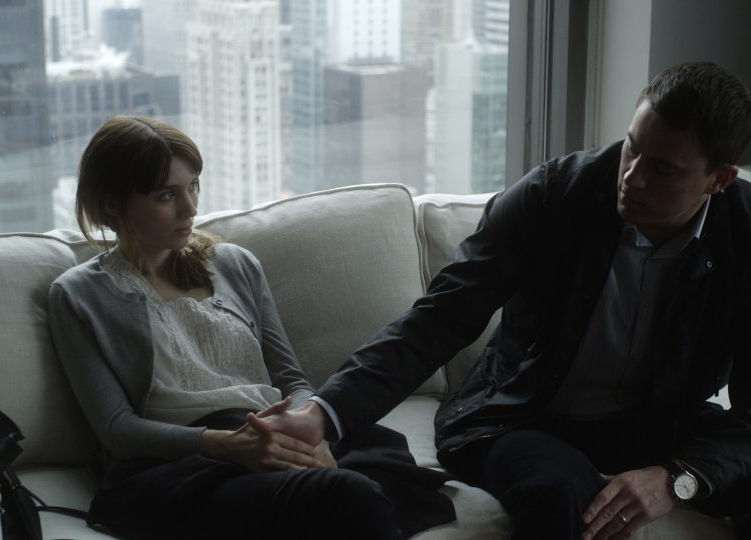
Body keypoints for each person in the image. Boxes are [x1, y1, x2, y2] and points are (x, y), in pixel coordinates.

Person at [250, 63, 751, 539]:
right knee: (559, 492)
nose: (632, 177)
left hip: (660, 427)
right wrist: (324, 412)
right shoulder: (554, 195)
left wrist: (679, 478)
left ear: (720, 179)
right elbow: (440, 317)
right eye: (631, 148)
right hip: (525, 418)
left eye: (663, 169)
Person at [48, 116, 452, 539]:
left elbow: (292, 379)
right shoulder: (79, 295)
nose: (190, 208)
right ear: (113, 204)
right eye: (167, 195)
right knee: (352, 495)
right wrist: (226, 446)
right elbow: (117, 429)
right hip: (185, 465)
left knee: (367, 479)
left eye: (193, 186)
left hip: (275, 433)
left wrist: (308, 436)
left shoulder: (235, 265)